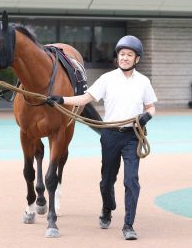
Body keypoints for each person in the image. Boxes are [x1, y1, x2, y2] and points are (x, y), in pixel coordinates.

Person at [46, 35, 157, 240]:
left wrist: (146, 116)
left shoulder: (143, 82)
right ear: (118, 57)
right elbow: (86, 98)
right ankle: (107, 208)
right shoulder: (107, 79)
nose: (124, 58)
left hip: (132, 136)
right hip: (110, 136)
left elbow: (151, 106)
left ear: (137, 59)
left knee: (131, 180)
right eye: (122, 54)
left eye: (129, 55)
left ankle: (128, 225)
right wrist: (62, 99)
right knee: (107, 181)